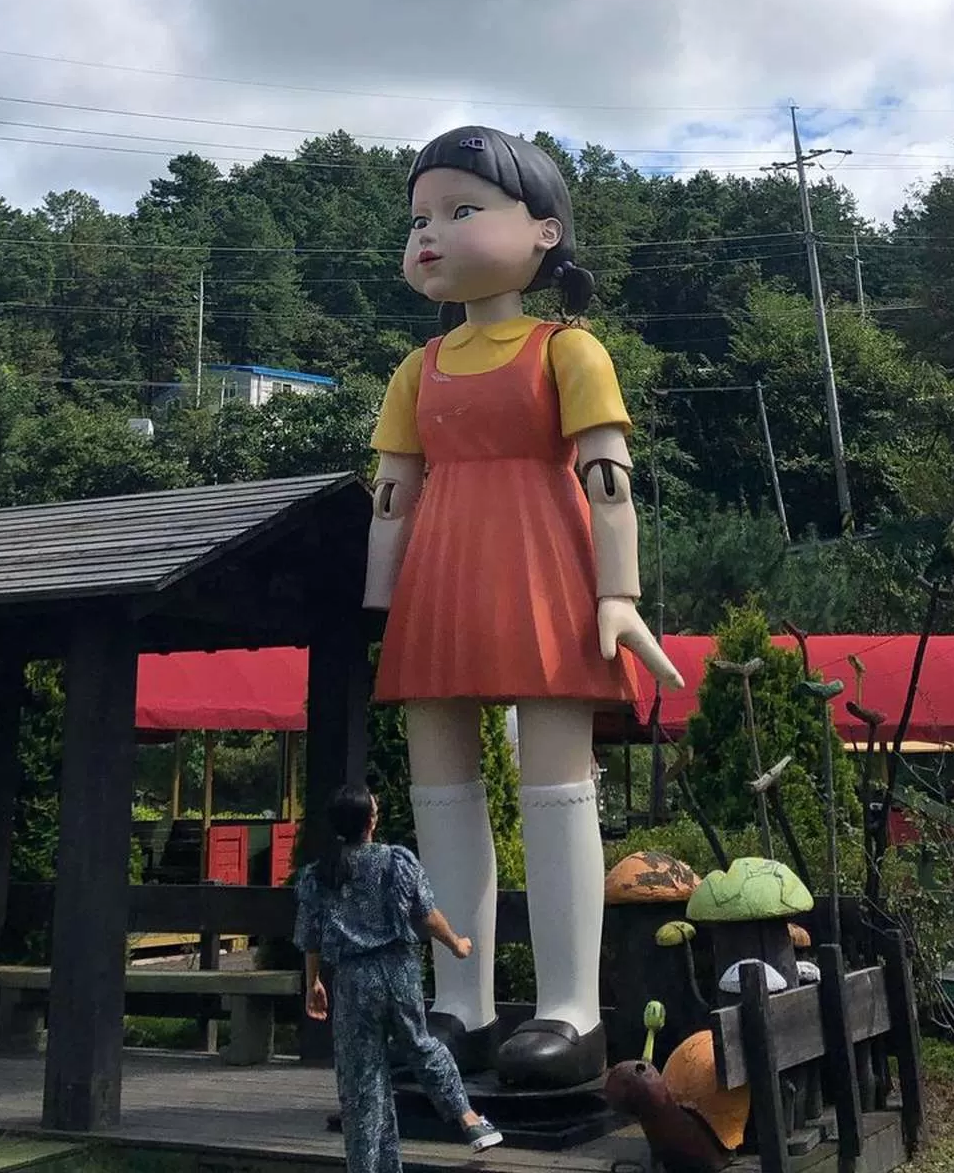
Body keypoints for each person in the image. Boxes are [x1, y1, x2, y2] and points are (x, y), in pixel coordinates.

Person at [364, 126, 683, 1089]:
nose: (430, 233)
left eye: (461, 210)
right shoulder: (417, 368)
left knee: (555, 783)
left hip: (546, 572)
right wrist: (377, 609)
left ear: (545, 231)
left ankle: (570, 1011)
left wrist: (618, 594)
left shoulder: (569, 351)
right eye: (420, 217)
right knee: (439, 788)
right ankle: (459, 1002)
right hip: (439, 582)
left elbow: (609, 481)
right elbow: (392, 498)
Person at [294, 785, 502, 1173]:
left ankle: (366, 1166)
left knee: (362, 1081)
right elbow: (427, 914)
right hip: (397, 969)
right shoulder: (395, 861)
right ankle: (468, 1117)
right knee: (421, 1045)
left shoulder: (320, 874)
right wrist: (456, 943)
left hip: (353, 978)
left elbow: (310, 936)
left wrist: (314, 983)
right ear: (371, 821)